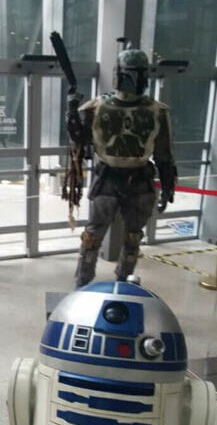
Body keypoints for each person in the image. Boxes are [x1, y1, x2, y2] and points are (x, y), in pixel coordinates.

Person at [67, 47, 177, 287]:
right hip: (108, 177)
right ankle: (83, 284)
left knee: (133, 238)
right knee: (92, 237)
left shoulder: (156, 111)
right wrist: (72, 115)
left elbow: (164, 154)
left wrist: (168, 186)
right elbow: (80, 143)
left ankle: (123, 283)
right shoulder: (96, 107)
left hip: (139, 178)